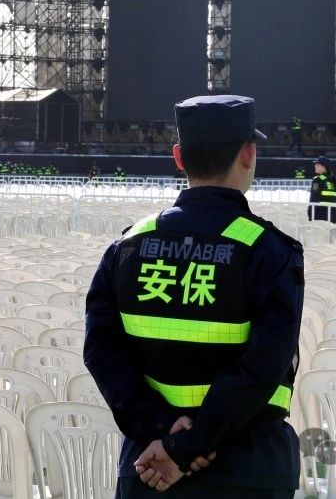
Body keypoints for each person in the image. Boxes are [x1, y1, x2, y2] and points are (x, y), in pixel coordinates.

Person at [84, 95, 304, 498]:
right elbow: (263, 368)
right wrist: (189, 446)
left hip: (149, 469)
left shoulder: (127, 247)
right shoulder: (269, 251)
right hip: (246, 470)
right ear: (248, 154)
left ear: (179, 158)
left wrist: (162, 431)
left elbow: (101, 352)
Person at [308, 156, 336, 223]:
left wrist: (310, 215)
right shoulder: (334, 181)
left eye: (317, 164)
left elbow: (313, 199)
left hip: (319, 218)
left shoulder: (317, 180)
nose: (315, 166)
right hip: (333, 217)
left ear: (324, 166)